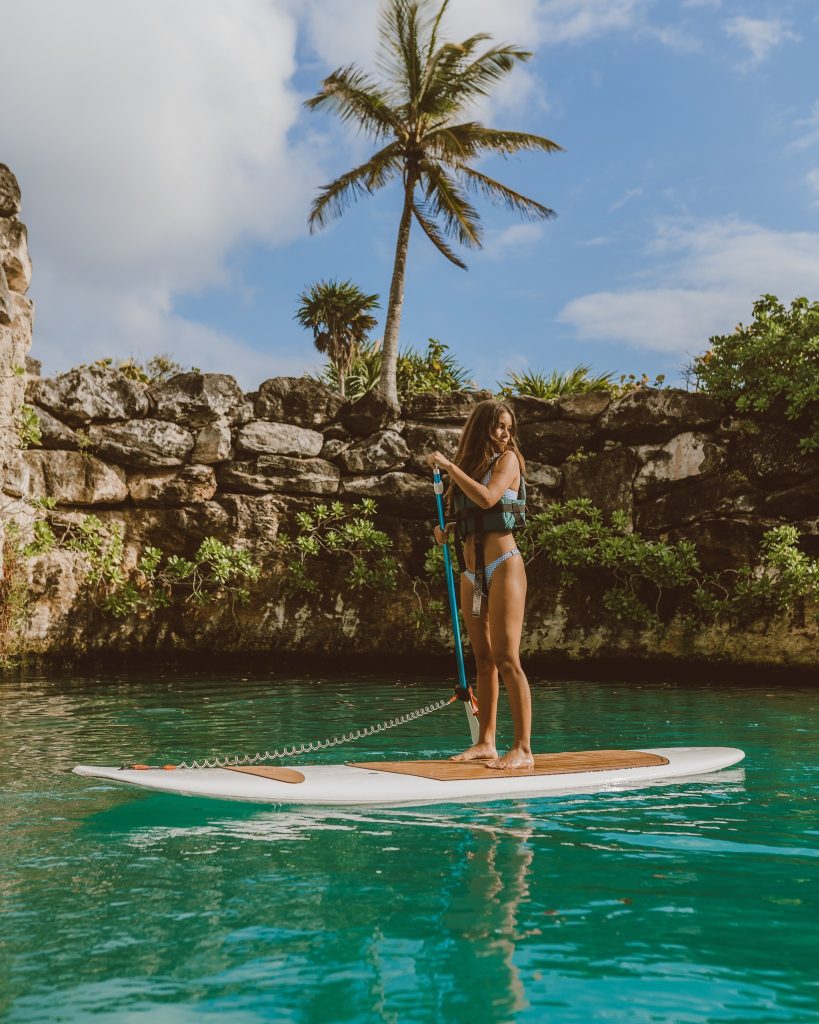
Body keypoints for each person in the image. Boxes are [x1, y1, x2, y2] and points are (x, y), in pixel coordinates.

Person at [426, 399, 533, 770]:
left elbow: (489, 498)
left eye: (509, 428)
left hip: (504, 566)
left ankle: (522, 748)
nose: (506, 435)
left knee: (507, 658)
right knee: (484, 661)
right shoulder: (472, 467)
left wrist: (450, 467)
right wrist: (447, 531)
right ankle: (486, 742)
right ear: (482, 428)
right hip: (472, 573)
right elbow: (472, 514)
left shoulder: (509, 461)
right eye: (499, 427)